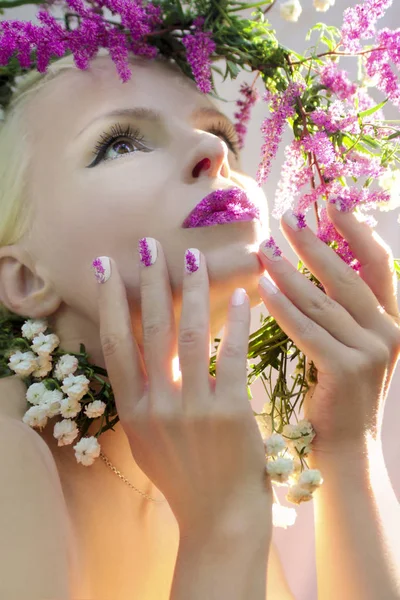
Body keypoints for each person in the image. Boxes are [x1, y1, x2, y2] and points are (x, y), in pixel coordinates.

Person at [0, 49, 399, 599]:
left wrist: (351, 441)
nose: (213, 150)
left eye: (218, 132)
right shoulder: (9, 454)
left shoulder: (220, 455)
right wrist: (222, 528)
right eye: (119, 142)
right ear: (23, 279)